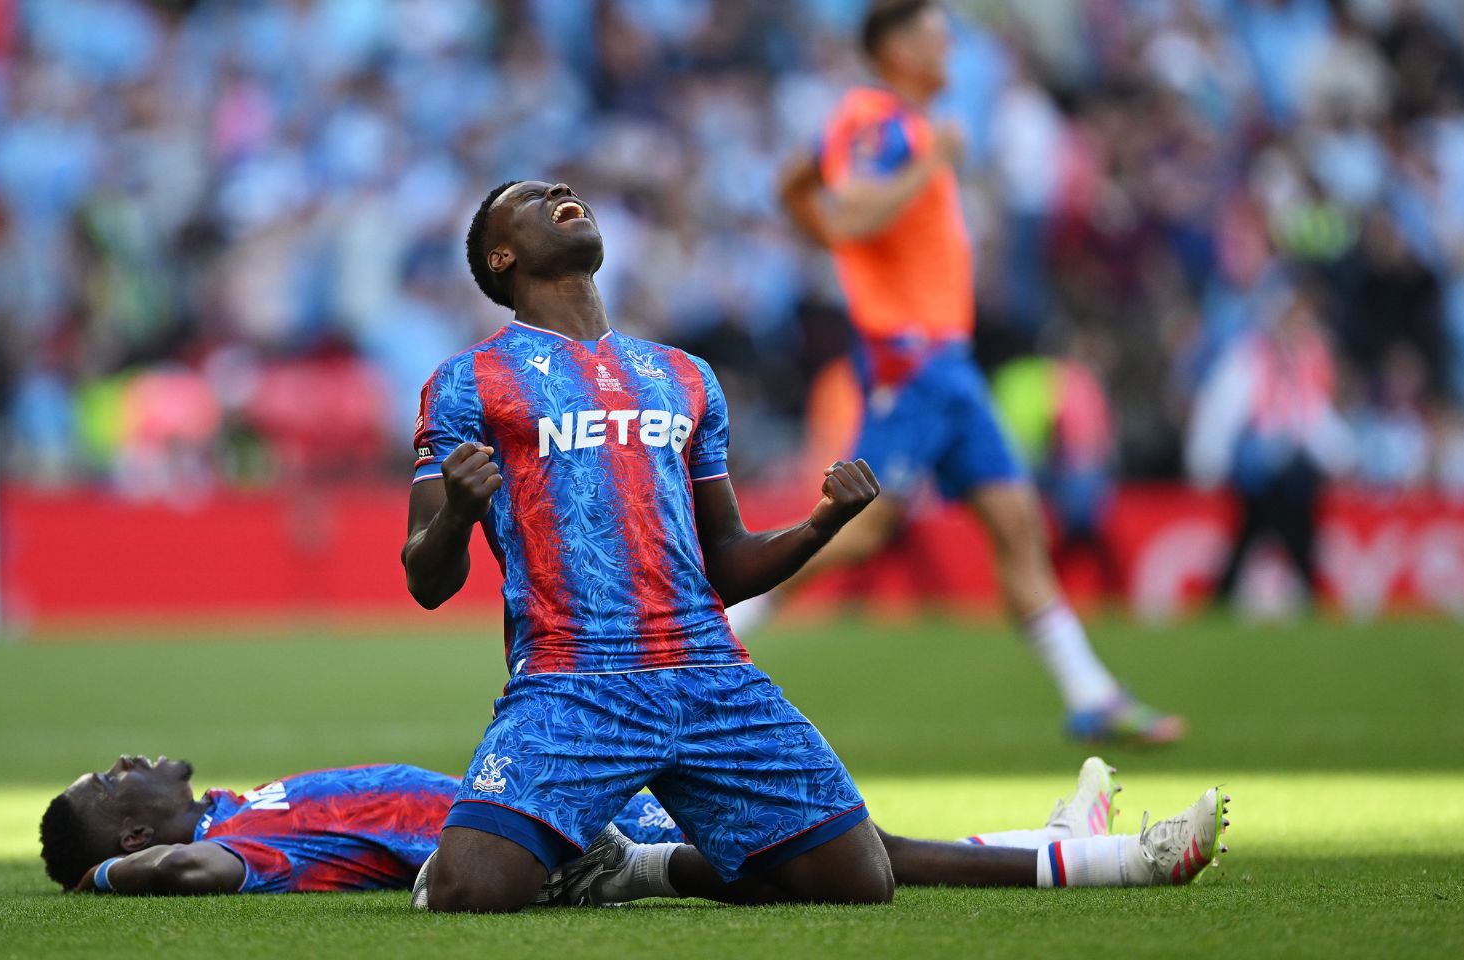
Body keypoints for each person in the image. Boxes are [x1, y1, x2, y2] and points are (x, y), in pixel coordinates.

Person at [398, 179, 1220, 913]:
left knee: (857, 880)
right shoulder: (468, 382)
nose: (562, 191)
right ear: (501, 256)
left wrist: (823, 523)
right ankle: (1113, 858)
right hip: (574, 682)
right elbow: (426, 578)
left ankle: (626, 865)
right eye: (535, 198)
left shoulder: (682, 376)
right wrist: (460, 512)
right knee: (471, 891)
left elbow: (727, 564)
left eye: (563, 187)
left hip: (710, 675)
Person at [768, 0, 1180, 745]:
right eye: (934, 32)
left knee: (1016, 524)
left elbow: (797, 184)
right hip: (912, 359)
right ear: (894, 46)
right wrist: (922, 169)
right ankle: (710, 624)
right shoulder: (882, 121)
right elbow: (856, 212)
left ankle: (1091, 695)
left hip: (948, 362)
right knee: (862, 533)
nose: (948, 44)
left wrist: (835, 233)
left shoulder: (881, 121)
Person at [38, 754, 1228, 898]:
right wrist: (111, 878)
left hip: (552, 803)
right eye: (109, 777)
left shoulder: (251, 803)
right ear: (127, 828)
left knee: (808, 817)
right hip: (557, 846)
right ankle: (1108, 862)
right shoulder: (243, 848)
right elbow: (190, 874)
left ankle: (1045, 839)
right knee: (799, 851)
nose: (128, 757)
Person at [1186, 280, 1352, 611]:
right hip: (1257, 464)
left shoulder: (1303, 358)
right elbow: (1222, 410)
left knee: (1263, 527)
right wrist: (1208, 460)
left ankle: (1228, 593)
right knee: (1280, 522)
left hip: (1288, 467)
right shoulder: (1249, 357)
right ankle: (1303, 586)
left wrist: (1341, 454)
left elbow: (1313, 415)